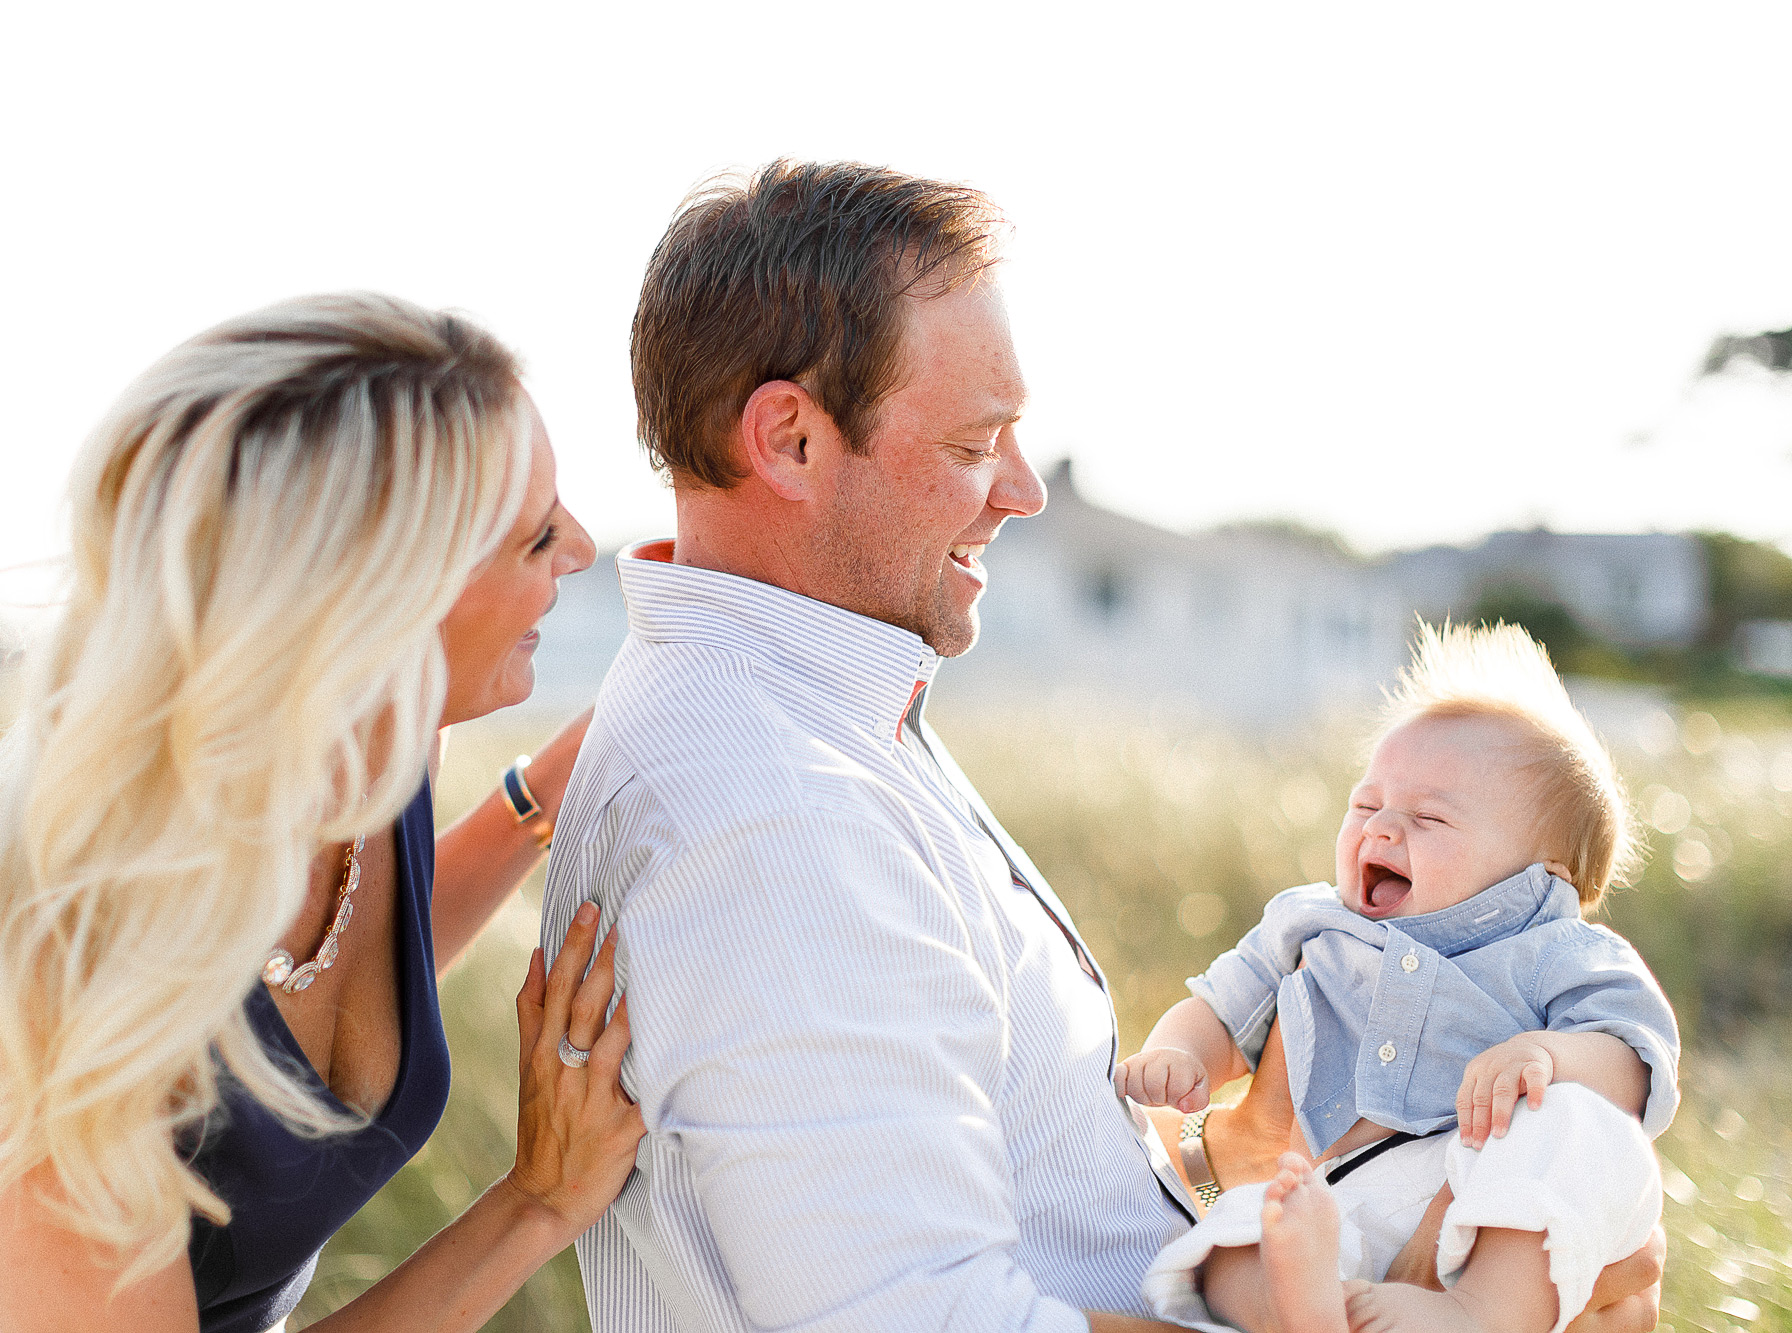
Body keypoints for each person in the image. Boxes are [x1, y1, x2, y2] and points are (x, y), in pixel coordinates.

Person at [539, 159, 1666, 1333]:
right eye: (976, 442)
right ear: (790, 440)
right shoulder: (778, 809)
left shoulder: (822, 716)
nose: (1022, 490)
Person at [0, 292, 645, 1333]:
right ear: (375, 602)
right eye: (537, 532)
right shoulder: (71, 950)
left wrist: (557, 784)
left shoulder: (379, 738)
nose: (583, 548)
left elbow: (361, 951)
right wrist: (534, 1205)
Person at [1123, 622, 1676, 1333]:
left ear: (1542, 882)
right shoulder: (1312, 924)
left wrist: (1550, 1056)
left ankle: (1478, 1311)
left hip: (1480, 1196)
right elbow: (1220, 1006)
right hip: (1327, 1193)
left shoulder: (1557, 949)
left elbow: (1638, 1058)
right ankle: (1300, 1309)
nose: (1380, 828)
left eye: (1427, 815)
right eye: (1365, 803)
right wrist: (1182, 1055)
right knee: (1233, 1236)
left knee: (1580, 1119)